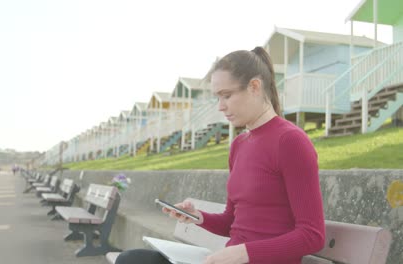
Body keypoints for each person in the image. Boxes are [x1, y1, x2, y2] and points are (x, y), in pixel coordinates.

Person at [115, 47, 325, 264]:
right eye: (218, 97)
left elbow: (312, 235)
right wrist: (198, 217)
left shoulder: (290, 141)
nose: (221, 107)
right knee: (132, 260)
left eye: (227, 95)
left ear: (254, 86)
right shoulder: (239, 145)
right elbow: (232, 221)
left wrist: (245, 252)